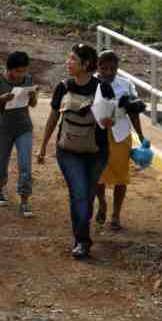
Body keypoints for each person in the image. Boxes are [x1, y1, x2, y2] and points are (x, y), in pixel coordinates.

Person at [37, 44, 114, 260]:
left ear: (86, 64)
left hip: (96, 151)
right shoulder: (63, 87)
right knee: (79, 193)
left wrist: (109, 121)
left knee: (86, 197)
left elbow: (113, 118)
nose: (68, 63)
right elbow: (54, 117)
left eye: (73, 59)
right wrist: (43, 145)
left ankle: (81, 231)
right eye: (69, 58)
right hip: (68, 150)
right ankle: (82, 240)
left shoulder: (103, 88)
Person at [94, 50, 146, 231]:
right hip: (97, 135)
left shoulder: (126, 85)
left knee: (121, 177)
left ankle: (116, 214)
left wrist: (140, 135)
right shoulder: (91, 84)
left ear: (117, 68)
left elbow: (134, 112)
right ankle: (101, 203)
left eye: (112, 69)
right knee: (97, 177)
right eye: (104, 68)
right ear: (97, 67)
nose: (108, 72)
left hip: (121, 135)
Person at [0, 51, 37, 217]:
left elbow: (34, 104)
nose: (20, 74)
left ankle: (24, 202)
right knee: (1, 163)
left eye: (23, 71)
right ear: (9, 69)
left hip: (24, 128)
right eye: (17, 71)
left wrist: (32, 96)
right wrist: (2, 98)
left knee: (25, 166)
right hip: (5, 129)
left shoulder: (28, 80)